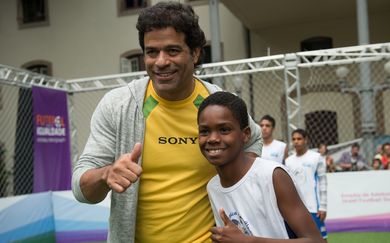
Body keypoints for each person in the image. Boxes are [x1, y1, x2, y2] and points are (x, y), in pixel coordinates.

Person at [71, 2, 262, 243]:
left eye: (172, 51)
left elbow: (253, 138)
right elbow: (81, 189)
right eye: (152, 52)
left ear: (194, 53)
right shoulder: (118, 105)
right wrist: (106, 174)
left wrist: (238, 185)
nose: (161, 62)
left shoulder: (220, 104)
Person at [197, 92, 324, 242]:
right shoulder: (213, 187)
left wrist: (248, 241)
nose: (213, 139)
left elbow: (316, 241)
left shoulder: (272, 176)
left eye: (224, 130)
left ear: (245, 134)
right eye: (204, 131)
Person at [285, 129, 328, 240]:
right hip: (295, 209)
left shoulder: (316, 157)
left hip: (313, 208)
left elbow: (323, 183)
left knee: (321, 239)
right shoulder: (288, 161)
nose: (296, 142)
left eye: (299, 139)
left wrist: (323, 206)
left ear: (306, 140)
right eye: (294, 139)